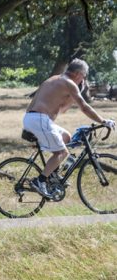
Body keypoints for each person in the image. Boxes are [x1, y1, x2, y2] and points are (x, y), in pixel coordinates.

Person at [23, 58, 115, 199]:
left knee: (66, 136)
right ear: (78, 74)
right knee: (62, 152)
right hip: (40, 119)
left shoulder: (54, 79)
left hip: (32, 117)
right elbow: (84, 107)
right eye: (83, 77)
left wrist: (75, 93)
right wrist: (103, 121)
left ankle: (52, 174)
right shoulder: (69, 83)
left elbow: (62, 109)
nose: (83, 80)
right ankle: (39, 181)